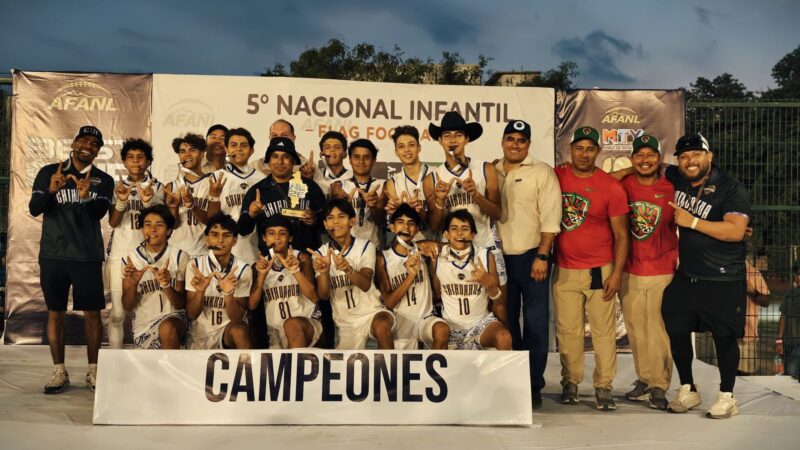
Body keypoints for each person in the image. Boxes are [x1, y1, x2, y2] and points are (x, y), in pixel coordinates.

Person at [661, 133, 751, 419]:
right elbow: (650, 165)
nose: (690, 160)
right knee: (675, 325)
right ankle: (688, 388)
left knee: (723, 337)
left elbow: (735, 231)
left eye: (696, 154)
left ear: (709, 156)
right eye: (684, 156)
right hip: (688, 276)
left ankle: (727, 396)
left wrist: (694, 222)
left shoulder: (730, 188)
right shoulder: (677, 176)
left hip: (723, 277)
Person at [29, 125, 114, 393]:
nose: (88, 145)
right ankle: (58, 372)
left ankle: (94, 371)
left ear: (98, 151)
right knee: (55, 312)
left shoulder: (103, 179)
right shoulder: (49, 173)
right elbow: (34, 209)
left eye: (95, 143)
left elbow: (99, 214)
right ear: (74, 143)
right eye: (84, 140)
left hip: (87, 256)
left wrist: (87, 197)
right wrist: (52, 190)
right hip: (53, 254)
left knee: (92, 314)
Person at [553, 126, 630, 411]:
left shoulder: (610, 187)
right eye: (579, 148)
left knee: (603, 331)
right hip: (564, 268)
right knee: (568, 331)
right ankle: (570, 382)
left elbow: (622, 234)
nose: (583, 154)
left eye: (589, 149)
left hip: (600, 268)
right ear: (570, 150)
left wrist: (616, 273)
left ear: (598, 152)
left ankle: (603, 386)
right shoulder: (556, 176)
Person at [494, 119, 562, 408]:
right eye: (510, 139)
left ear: (529, 144)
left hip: (532, 256)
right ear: (503, 141)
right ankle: (511, 380)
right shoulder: (491, 170)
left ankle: (533, 384)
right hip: (498, 259)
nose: (515, 144)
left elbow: (550, 217)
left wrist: (543, 255)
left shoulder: (542, 172)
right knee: (506, 321)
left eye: (521, 140)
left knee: (535, 323)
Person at [616, 134, 676, 410]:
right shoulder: (623, 185)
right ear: (631, 159)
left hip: (661, 268)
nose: (645, 159)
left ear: (660, 158)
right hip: (629, 268)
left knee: (657, 330)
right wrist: (628, 169)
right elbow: (598, 182)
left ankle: (659, 385)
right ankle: (644, 378)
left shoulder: (670, 188)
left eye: (651, 154)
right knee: (636, 330)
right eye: (639, 154)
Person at [311, 198, 395, 349]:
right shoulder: (319, 254)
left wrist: (348, 269)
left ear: (352, 221)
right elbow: (323, 295)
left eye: (341, 216)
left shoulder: (366, 246)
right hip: (345, 324)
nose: (336, 222)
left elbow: (365, 284)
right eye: (330, 218)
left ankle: (390, 372)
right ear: (325, 224)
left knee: (383, 325)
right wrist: (323, 273)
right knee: (347, 370)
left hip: (372, 313)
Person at [106, 138, 165, 349]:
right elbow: (113, 222)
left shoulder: (159, 187)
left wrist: (148, 202)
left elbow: (163, 224)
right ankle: (116, 360)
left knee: (153, 313)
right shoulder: (117, 187)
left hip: (151, 256)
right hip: (121, 255)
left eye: (141, 157)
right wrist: (121, 200)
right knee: (118, 313)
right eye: (130, 157)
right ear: (123, 161)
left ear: (149, 161)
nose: (136, 162)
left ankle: (153, 360)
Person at [431, 210, 511, 350]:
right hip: (451, 326)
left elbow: (499, 301)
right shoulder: (437, 257)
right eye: (454, 229)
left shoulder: (485, 255)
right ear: (446, 235)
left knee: (504, 337)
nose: (460, 233)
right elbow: (436, 295)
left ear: (473, 235)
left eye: (465, 229)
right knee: (439, 335)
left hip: (480, 325)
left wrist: (487, 282)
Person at [376, 204, 450, 349]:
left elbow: (453, 246)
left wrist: (435, 260)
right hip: (400, 322)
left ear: (416, 230)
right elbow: (389, 302)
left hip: (425, 319)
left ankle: (432, 371)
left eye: (411, 224)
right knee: (397, 368)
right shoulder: (382, 258)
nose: (406, 227)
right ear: (392, 227)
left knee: (442, 330)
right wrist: (410, 276)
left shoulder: (423, 247)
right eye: (400, 222)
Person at [237, 137, 326, 257]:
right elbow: (243, 230)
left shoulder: (310, 186)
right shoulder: (257, 191)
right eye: (275, 156)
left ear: (294, 161)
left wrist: (314, 220)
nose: (280, 162)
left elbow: (326, 226)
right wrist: (251, 215)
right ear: (268, 161)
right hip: (272, 264)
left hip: (307, 260)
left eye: (286, 156)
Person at [120, 205, 189, 349]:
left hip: (174, 319)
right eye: (147, 225)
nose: (152, 230)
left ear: (169, 230)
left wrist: (166, 285)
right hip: (144, 326)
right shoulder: (131, 259)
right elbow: (127, 306)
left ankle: (172, 371)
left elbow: (181, 304)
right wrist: (132, 284)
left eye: (159, 225)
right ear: (141, 229)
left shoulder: (179, 256)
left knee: (168, 328)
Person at [248, 215, 322, 348]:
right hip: (275, 331)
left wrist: (295, 271)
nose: (277, 238)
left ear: (290, 237)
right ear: (264, 238)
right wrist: (261, 277)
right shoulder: (259, 266)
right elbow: (252, 305)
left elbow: (314, 297)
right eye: (271, 233)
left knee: (292, 324)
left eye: (282, 233)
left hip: (306, 324)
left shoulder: (302, 258)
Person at [185, 213, 252, 349]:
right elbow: (191, 315)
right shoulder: (195, 265)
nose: (220, 240)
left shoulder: (243, 269)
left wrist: (228, 294)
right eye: (215, 235)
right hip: (199, 334)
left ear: (234, 241)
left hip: (227, 332)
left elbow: (237, 319)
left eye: (226, 235)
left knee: (240, 330)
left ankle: (248, 369)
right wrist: (200, 292)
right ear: (207, 239)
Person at [206, 127, 266, 264]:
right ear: (226, 149)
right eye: (233, 145)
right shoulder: (216, 177)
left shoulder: (261, 179)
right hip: (225, 249)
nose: (238, 149)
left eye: (244, 145)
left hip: (254, 248)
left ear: (252, 150)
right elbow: (211, 219)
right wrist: (214, 196)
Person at [330, 139, 385, 246]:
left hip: (375, 246)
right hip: (346, 248)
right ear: (350, 159)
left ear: (374, 160)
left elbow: (380, 221)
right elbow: (334, 221)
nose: (361, 162)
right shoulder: (339, 185)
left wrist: (373, 207)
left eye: (367, 157)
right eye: (356, 157)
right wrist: (345, 206)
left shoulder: (382, 185)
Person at [383, 125, 432, 241]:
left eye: (411, 145)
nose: (407, 150)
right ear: (396, 152)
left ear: (419, 148)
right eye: (401, 146)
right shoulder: (393, 183)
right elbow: (394, 222)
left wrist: (423, 212)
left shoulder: (436, 174)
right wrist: (394, 212)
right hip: (407, 246)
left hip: (435, 242)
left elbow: (442, 217)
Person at [166, 133, 210, 257]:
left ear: (202, 154)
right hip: (175, 253)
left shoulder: (212, 183)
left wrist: (193, 206)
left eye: (192, 150)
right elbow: (172, 226)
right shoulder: (171, 187)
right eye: (182, 151)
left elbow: (212, 221)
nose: (187, 155)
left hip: (203, 253)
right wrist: (173, 208)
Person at [738, 261, 770, 375]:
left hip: (746, 336)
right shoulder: (719, 270)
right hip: (722, 333)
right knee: (720, 375)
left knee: (745, 375)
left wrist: (753, 292)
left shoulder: (753, 273)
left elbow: (766, 301)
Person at [776, 265, 800, 379]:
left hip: (793, 341)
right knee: (790, 376)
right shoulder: (789, 294)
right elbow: (783, 317)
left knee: (791, 376)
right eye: (797, 274)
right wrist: (779, 339)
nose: (798, 277)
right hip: (791, 342)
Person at [313, 131, 350, 198]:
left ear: (344, 154)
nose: (332, 150)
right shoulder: (314, 178)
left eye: (337, 147)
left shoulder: (353, 177)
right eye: (327, 147)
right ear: (321, 155)